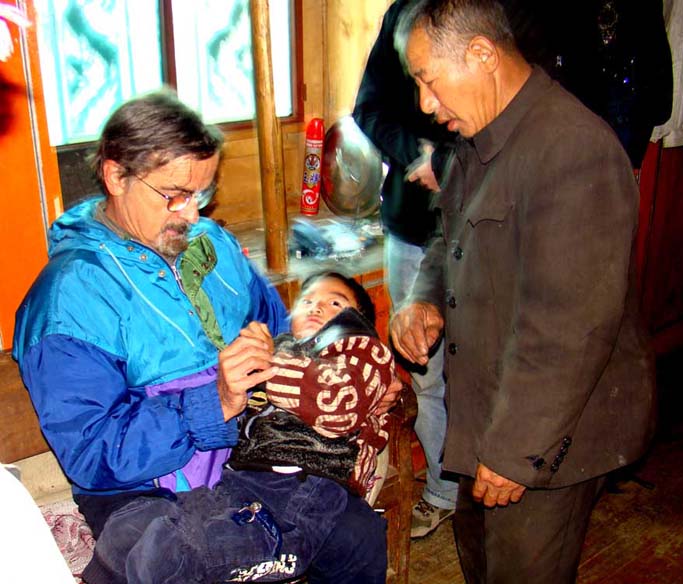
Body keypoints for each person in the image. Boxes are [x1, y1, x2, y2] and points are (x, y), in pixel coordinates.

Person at [12, 91, 398, 584]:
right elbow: (92, 454)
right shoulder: (69, 299)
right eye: (175, 194)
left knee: (358, 535)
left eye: (202, 194)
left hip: (250, 458)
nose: (192, 215)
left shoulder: (213, 247)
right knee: (172, 562)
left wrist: (349, 380)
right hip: (141, 492)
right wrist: (211, 400)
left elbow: (283, 336)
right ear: (115, 176)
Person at [389, 1, 657, 583]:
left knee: (522, 569)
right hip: (489, 405)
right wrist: (423, 298)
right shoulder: (476, 140)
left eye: (428, 80)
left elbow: (568, 331)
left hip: (551, 429)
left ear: (482, 54)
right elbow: (448, 241)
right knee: (479, 552)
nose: (425, 104)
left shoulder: (573, 150)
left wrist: (514, 454)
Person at [352, 0, 459, 538]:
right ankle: (442, 491)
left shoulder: (501, 15)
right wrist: (418, 155)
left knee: (486, 367)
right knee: (426, 370)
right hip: (411, 223)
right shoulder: (403, 15)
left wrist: (455, 165)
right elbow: (368, 108)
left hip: (488, 227)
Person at [230, 270, 395, 498]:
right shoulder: (282, 345)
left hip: (324, 476)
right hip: (255, 469)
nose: (315, 308)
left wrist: (268, 361)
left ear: (359, 321)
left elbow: (338, 403)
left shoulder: (364, 351)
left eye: (334, 302)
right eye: (307, 301)